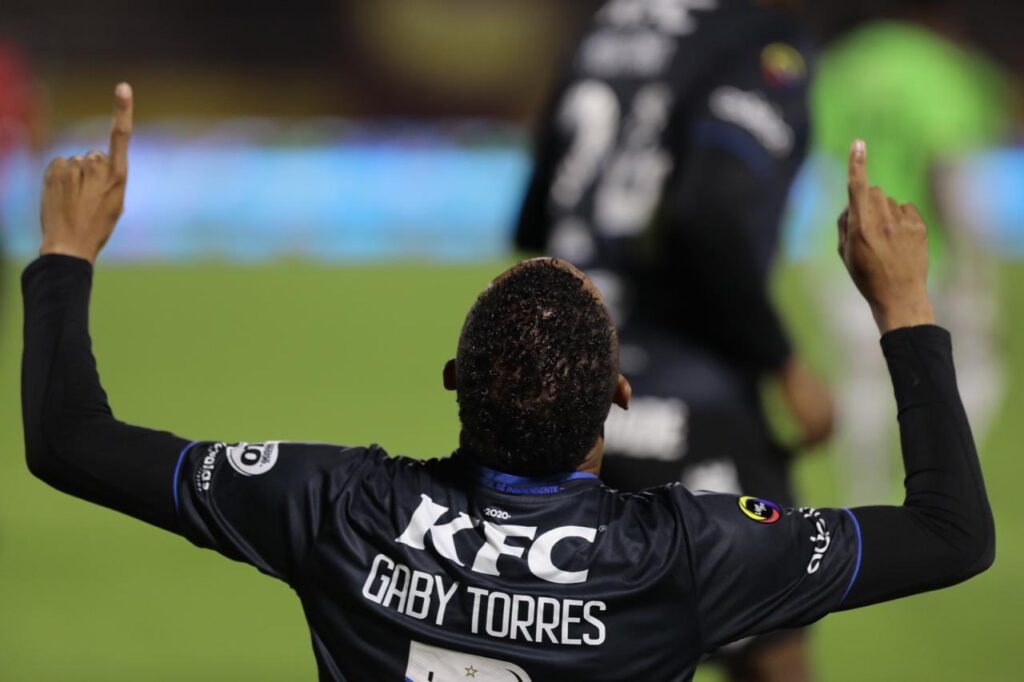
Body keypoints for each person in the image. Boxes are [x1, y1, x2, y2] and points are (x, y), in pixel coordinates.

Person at [23, 85, 993, 682]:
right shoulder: (686, 556)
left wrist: (66, 253)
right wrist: (905, 303)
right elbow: (951, 532)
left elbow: (68, 438)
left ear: (454, 379)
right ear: (617, 398)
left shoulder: (336, 507)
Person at [514, 2, 831, 677]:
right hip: (685, 391)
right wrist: (785, 364)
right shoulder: (755, 35)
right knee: (773, 648)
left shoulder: (608, 28)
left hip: (568, 400)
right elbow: (709, 213)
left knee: (587, 646)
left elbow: (533, 216)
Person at [802, 0, 1012, 504]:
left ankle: (866, 501)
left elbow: (819, 153)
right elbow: (949, 174)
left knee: (861, 380)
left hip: (844, 245)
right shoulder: (939, 65)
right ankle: (952, 484)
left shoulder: (842, 62)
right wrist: (974, 264)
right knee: (975, 367)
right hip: (918, 251)